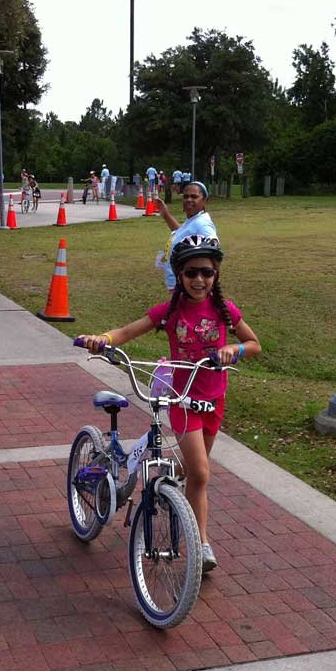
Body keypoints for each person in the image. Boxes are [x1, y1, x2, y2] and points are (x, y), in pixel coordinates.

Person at [79, 236, 260, 573]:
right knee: (202, 473)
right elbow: (126, 331)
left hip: (214, 400)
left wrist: (232, 350)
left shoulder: (224, 310)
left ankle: (162, 484)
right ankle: (202, 544)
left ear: (216, 274)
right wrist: (101, 339)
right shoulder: (170, 312)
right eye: (191, 272)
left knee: (193, 469)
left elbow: (253, 343)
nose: (199, 279)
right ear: (179, 274)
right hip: (183, 399)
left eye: (207, 272)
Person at [154, 180, 218, 290]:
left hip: (188, 285)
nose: (189, 200)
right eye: (186, 196)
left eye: (194, 197)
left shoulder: (202, 224)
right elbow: (182, 233)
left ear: (204, 201)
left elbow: (214, 250)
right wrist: (165, 214)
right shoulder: (193, 220)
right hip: (180, 282)